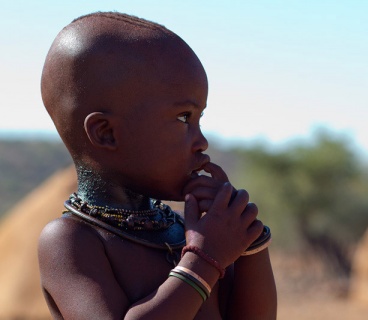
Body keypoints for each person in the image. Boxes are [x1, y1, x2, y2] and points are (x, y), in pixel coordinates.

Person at [37, 11, 277, 320]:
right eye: (183, 118)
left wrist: (249, 243)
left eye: (199, 118)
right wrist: (203, 260)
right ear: (106, 133)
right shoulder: (71, 241)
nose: (201, 141)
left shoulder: (184, 228)